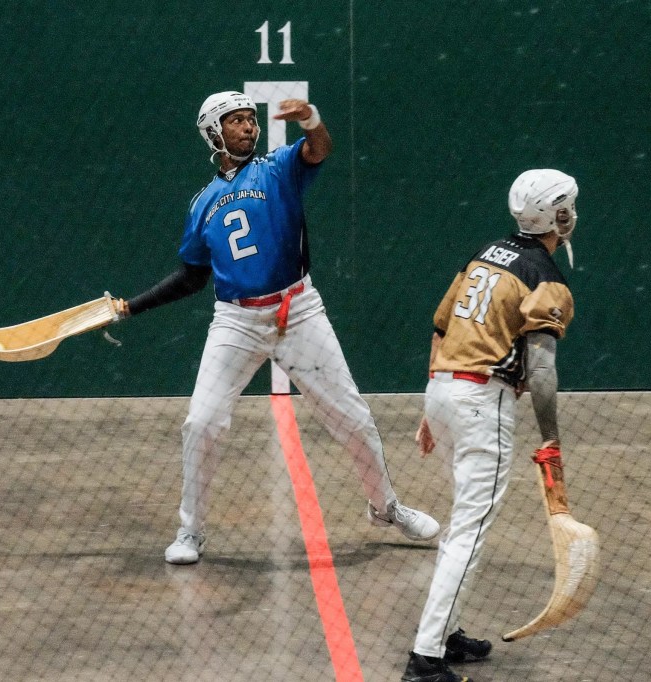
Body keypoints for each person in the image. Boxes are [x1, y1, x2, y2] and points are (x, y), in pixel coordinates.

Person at [113, 91, 440, 565]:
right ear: (213, 133)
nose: (249, 127)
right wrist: (131, 307)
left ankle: (386, 506)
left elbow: (319, 148)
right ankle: (191, 531)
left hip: (299, 309)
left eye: (251, 119)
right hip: (236, 320)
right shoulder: (202, 204)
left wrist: (310, 118)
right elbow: (192, 276)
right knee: (201, 422)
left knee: (353, 419)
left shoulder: (278, 168)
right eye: (237, 121)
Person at [400, 169, 579, 682]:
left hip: (444, 391)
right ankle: (425, 658)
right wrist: (551, 438)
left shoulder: (485, 254)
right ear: (560, 215)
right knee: (469, 534)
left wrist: (432, 406)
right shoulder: (546, 276)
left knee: (461, 522)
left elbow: (441, 327)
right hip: (483, 403)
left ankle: (445, 631)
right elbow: (542, 370)